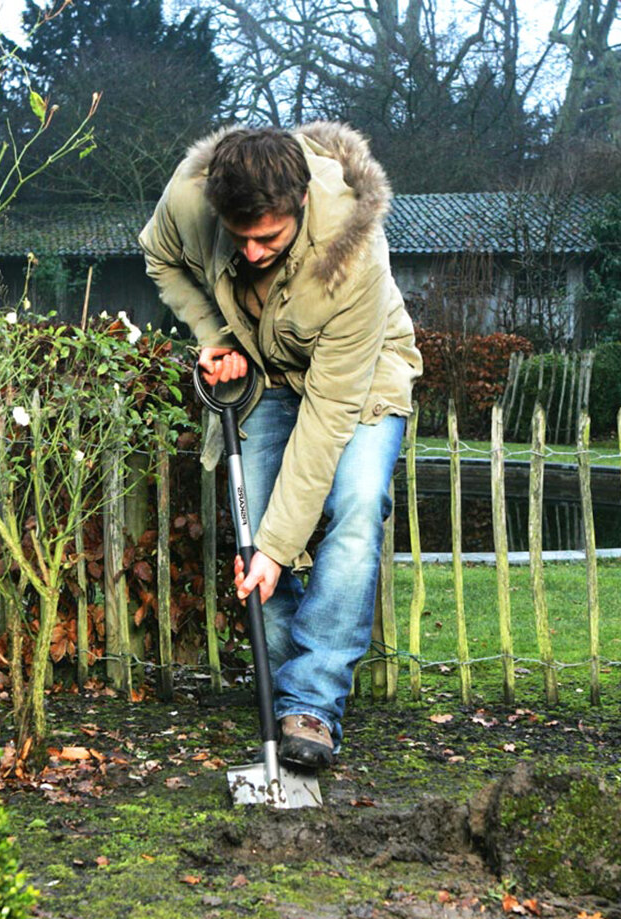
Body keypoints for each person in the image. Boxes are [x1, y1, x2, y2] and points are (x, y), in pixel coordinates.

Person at [139, 123, 421, 770]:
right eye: (241, 237)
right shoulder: (191, 198)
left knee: (356, 504)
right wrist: (217, 336)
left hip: (359, 376)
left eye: (270, 236)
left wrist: (278, 547)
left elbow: (327, 416)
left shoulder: (355, 256)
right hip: (264, 369)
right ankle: (293, 684)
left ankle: (312, 706)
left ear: (297, 204)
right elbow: (158, 252)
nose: (254, 251)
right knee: (253, 535)